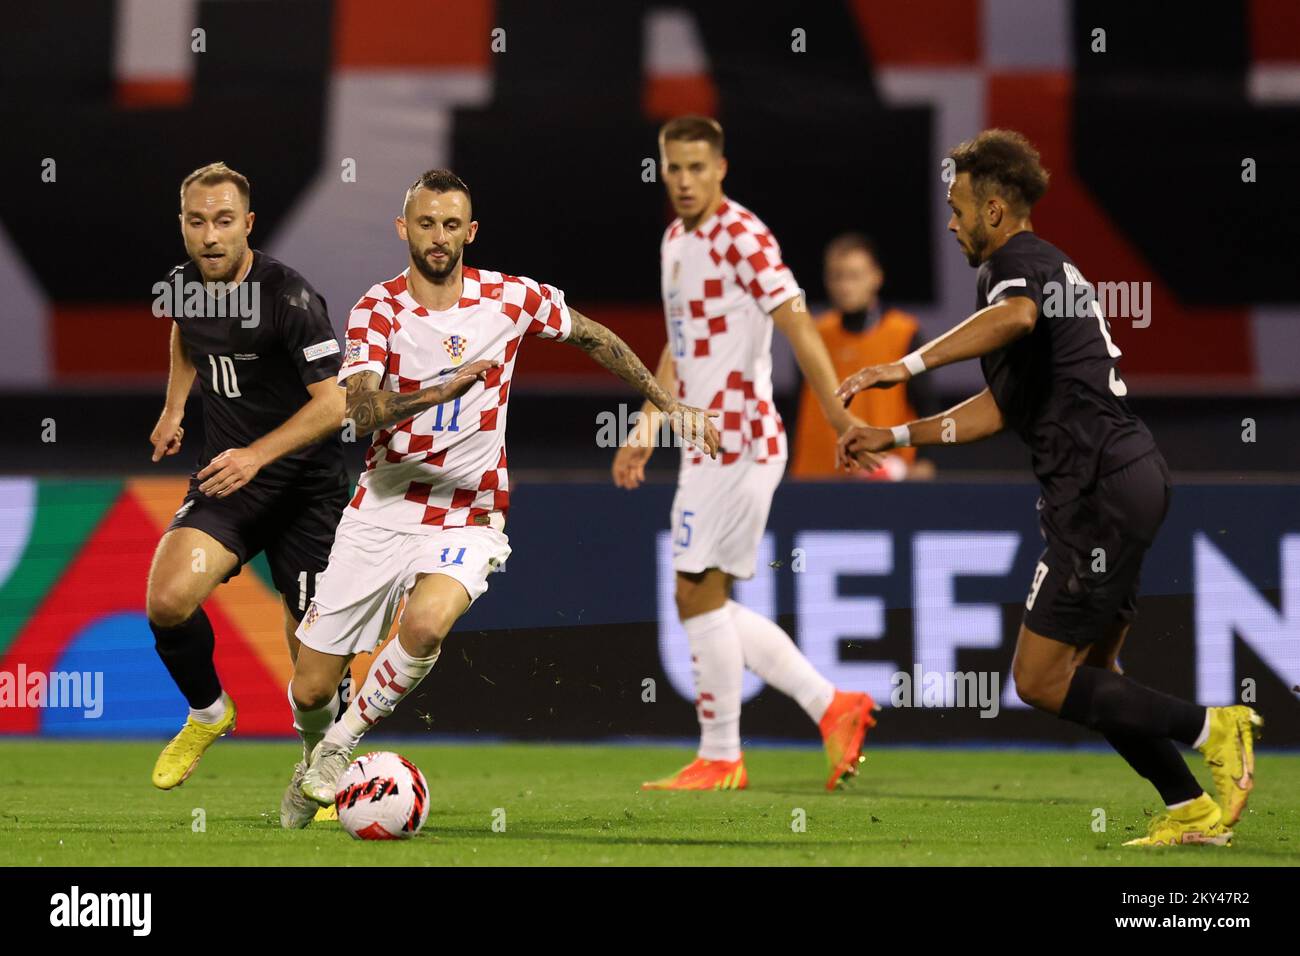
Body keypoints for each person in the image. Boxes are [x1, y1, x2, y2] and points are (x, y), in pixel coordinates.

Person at [836, 129, 1261, 847]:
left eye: (958, 207)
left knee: (1038, 680)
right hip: (1128, 476)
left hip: (1096, 485)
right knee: (1095, 671)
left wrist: (903, 368)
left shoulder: (1019, 265)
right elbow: (1001, 409)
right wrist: (897, 435)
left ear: (995, 211)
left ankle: (1216, 727)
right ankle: (1191, 810)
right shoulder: (1038, 270)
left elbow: (1017, 316)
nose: (950, 221)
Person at [279, 169, 720, 825]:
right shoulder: (378, 308)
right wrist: (440, 391)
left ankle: (341, 747)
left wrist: (667, 404)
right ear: (404, 228)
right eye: (425, 223)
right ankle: (314, 756)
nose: (438, 237)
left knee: (427, 624)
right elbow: (362, 412)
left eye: (451, 224)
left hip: (470, 512)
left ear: (471, 231)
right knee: (312, 687)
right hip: (383, 508)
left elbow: (594, 335)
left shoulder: (510, 298)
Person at [612, 116, 881, 792]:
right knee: (705, 596)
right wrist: (647, 426)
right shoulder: (675, 241)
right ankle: (831, 705)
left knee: (692, 590)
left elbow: (795, 320)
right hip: (703, 445)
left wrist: (838, 412)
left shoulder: (744, 235)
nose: (683, 180)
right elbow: (680, 347)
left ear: (721, 168)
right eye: (673, 167)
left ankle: (722, 755)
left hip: (740, 438)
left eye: (697, 167)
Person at [146, 162, 350, 807]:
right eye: (197, 221)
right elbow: (186, 335)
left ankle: (318, 767)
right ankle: (209, 714)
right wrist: (175, 408)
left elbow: (336, 404)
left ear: (248, 226)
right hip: (232, 488)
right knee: (167, 602)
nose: (210, 235)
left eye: (224, 221)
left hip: (306, 492)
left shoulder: (290, 298)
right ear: (182, 225)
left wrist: (257, 455)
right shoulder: (182, 286)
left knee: (312, 679)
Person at [791, 233, 935, 480]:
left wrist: (926, 461)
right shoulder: (812, 336)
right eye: (837, 276)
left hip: (886, 480)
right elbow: (795, 410)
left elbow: (926, 406)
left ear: (876, 278)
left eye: (855, 276)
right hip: (818, 479)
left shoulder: (904, 333)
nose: (845, 286)